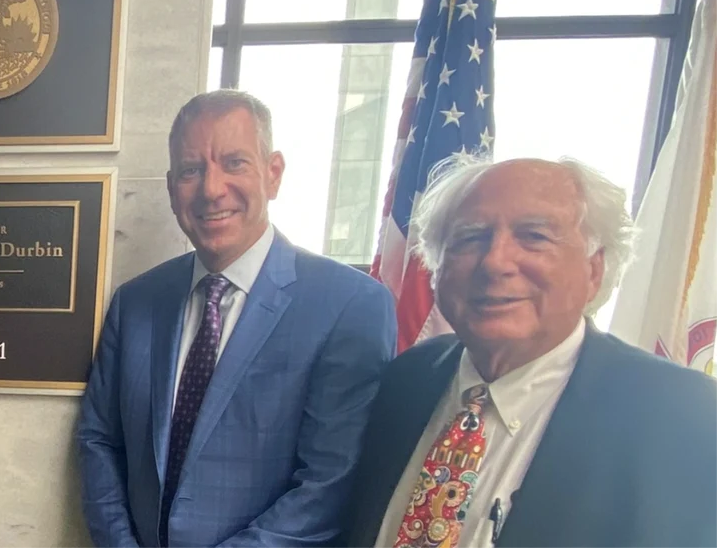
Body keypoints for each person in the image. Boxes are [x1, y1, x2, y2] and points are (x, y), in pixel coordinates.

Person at [341, 156, 717, 548]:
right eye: (470, 237)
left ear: (594, 270)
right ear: (436, 266)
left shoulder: (684, 417)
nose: (495, 262)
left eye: (534, 237)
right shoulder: (403, 381)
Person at [77, 90, 397, 548]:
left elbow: (328, 485)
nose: (211, 189)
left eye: (234, 163)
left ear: (273, 174)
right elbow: (99, 441)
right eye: (192, 170)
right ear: (171, 188)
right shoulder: (136, 303)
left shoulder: (350, 304)